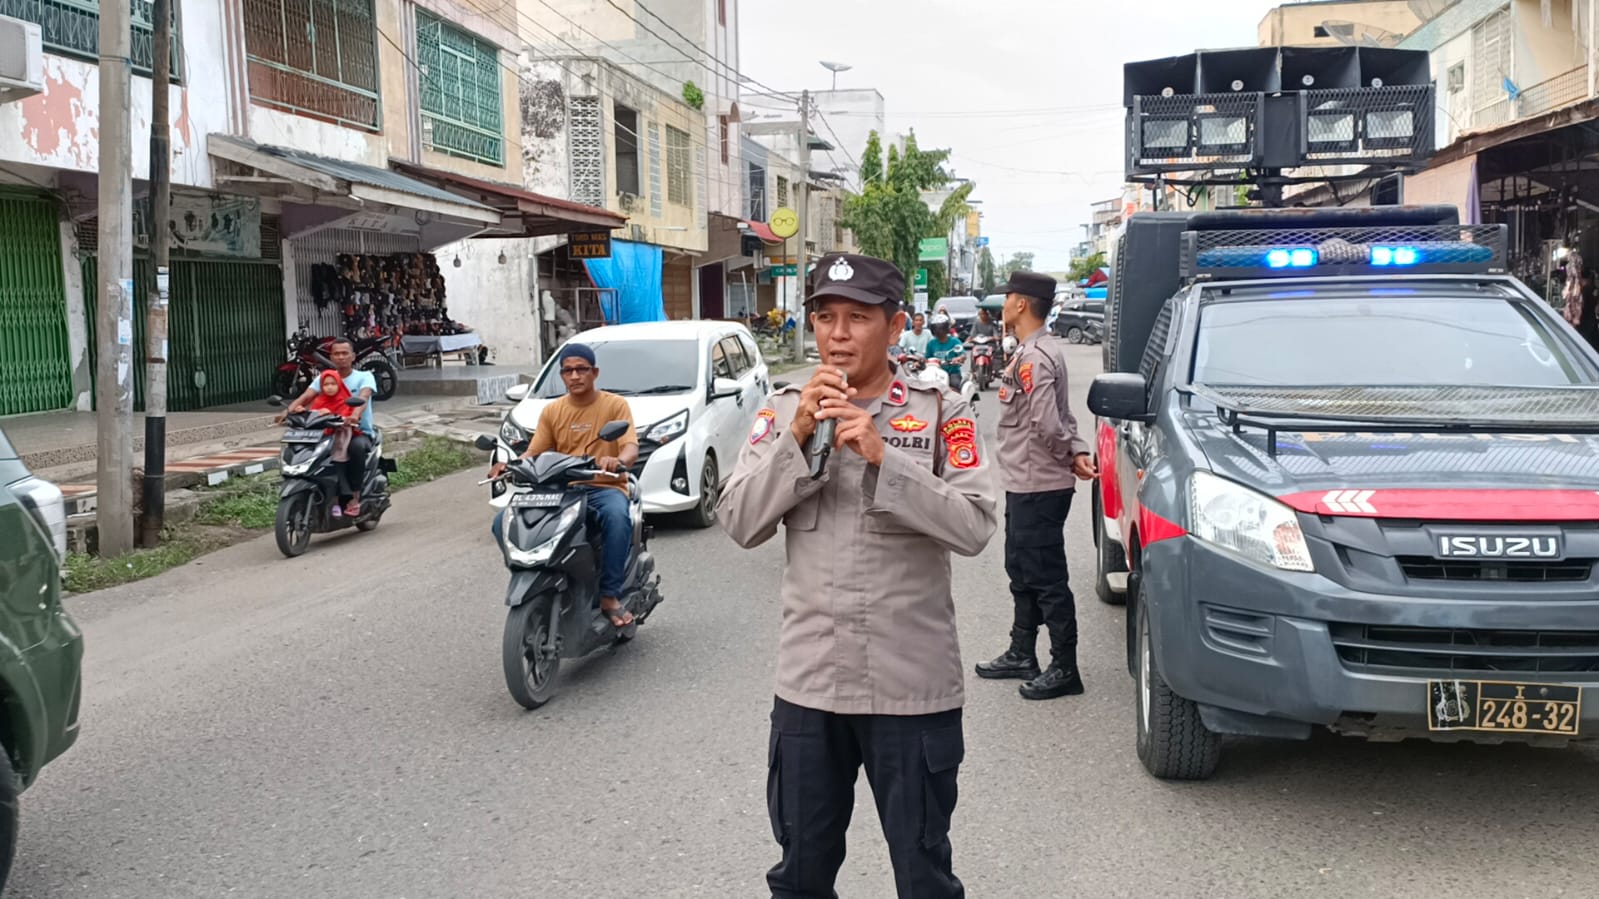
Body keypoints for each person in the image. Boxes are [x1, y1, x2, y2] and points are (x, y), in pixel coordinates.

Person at [719, 253, 997, 899]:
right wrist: (795, 441)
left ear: (895, 324)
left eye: (857, 317)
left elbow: (976, 525)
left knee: (924, 879)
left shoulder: (941, 411)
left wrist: (883, 463)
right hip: (810, 688)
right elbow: (737, 519)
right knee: (799, 879)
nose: (837, 333)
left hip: (910, 690)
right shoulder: (787, 409)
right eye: (824, 316)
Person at [975, 271, 1097, 700]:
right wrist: (1077, 449)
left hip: (1039, 485)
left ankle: (1065, 667)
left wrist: (1069, 454)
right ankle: (1022, 652)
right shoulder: (1033, 351)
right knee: (1021, 571)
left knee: (1046, 578)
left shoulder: (1034, 358)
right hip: (1025, 482)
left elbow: (1048, 422)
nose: (1002, 305)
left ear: (1021, 304)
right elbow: (1063, 416)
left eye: (1007, 297)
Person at [490, 344, 638, 627]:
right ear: (561, 375)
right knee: (502, 522)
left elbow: (630, 446)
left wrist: (618, 461)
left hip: (602, 486)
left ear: (594, 373)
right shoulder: (552, 411)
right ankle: (534, 575)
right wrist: (508, 465)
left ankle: (610, 595)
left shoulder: (615, 405)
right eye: (568, 370)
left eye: (581, 369)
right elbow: (533, 453)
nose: (575, 376)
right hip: (560, 490)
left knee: (617, 518)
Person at [280, 338, 375, 517]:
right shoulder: (325, 378)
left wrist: (354, 415)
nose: (340, 357)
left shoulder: (364, 376)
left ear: (353, 356)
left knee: (356, 448)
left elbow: (364, 396)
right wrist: (288, 411)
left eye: (344, 353)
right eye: (336, 354)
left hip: (356, 432)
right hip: (326, 432)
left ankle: (355, 496)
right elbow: (306, 397)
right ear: (331, 357)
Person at [307, 371, 357, 517]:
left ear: (339, 384)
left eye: (333, 384)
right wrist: (301, 412)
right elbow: (311, 417)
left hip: (340, 440)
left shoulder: (345, 400)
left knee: (336, 467)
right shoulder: (318, 401)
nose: (329, 387)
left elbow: (346, 417)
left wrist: (330, 414)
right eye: (326, 384)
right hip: (321, 440)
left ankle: (340, 501)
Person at [925, 314, 966, 389]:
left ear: (946, 329)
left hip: (952, 372)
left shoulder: (955, 341)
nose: (938, 331)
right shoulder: (931, 343)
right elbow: (927, 358)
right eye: (936, 328)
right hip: (935, 373)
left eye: (941, 328)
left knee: (955, 384)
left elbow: (962, 354)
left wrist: (958, 359)